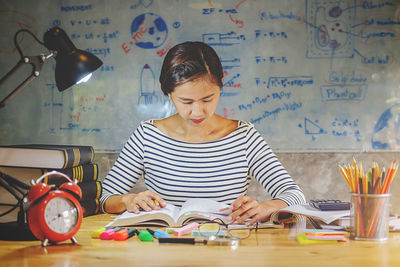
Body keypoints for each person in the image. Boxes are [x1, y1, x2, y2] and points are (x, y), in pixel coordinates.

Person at [100, 41, 306, 225]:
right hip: (164, 248)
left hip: (226, 248)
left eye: (208, 99)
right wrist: (128, 200)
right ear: (169, 93)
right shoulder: (147, 136)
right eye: (186, 101)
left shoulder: (244, 137)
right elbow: (104, 197)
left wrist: (265, 208)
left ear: (220, 86)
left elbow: (295, 195)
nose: (197, 112)